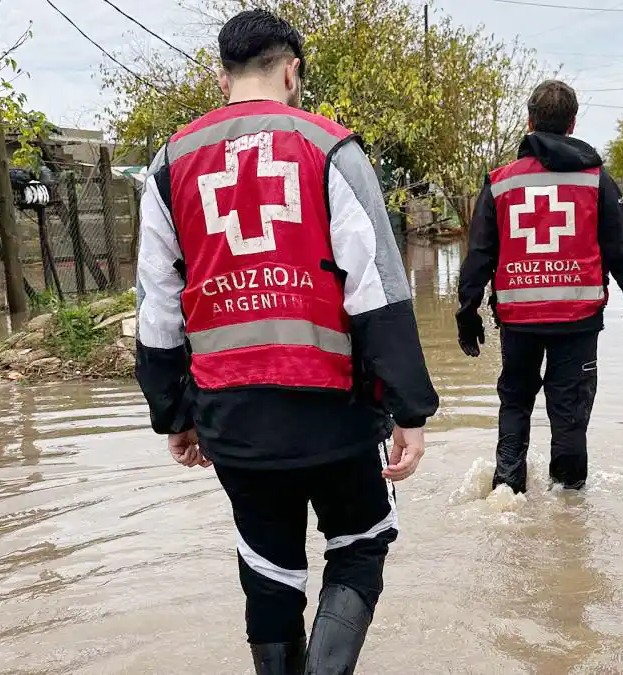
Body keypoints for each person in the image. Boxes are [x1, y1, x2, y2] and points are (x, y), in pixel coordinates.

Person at [134, 10, 439, 674]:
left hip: (233, 416)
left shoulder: (168, 165)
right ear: (292, 72)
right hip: (336, 411)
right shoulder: (332, 149)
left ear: (223, 79)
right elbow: (378, 290)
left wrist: (174, 413)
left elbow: (157, 308)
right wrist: (410, 408)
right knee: (360, 545)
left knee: (269, 571)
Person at [456, 79, 623, 495]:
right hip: (577, 322)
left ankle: (507, 491)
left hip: (518, 322)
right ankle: (570, 507)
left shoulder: (500, 182)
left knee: (515, 404)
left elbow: (479, 255)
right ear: (573, 123)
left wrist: (466, 311)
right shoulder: (596, 181)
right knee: (570, 416)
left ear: (529, 122)